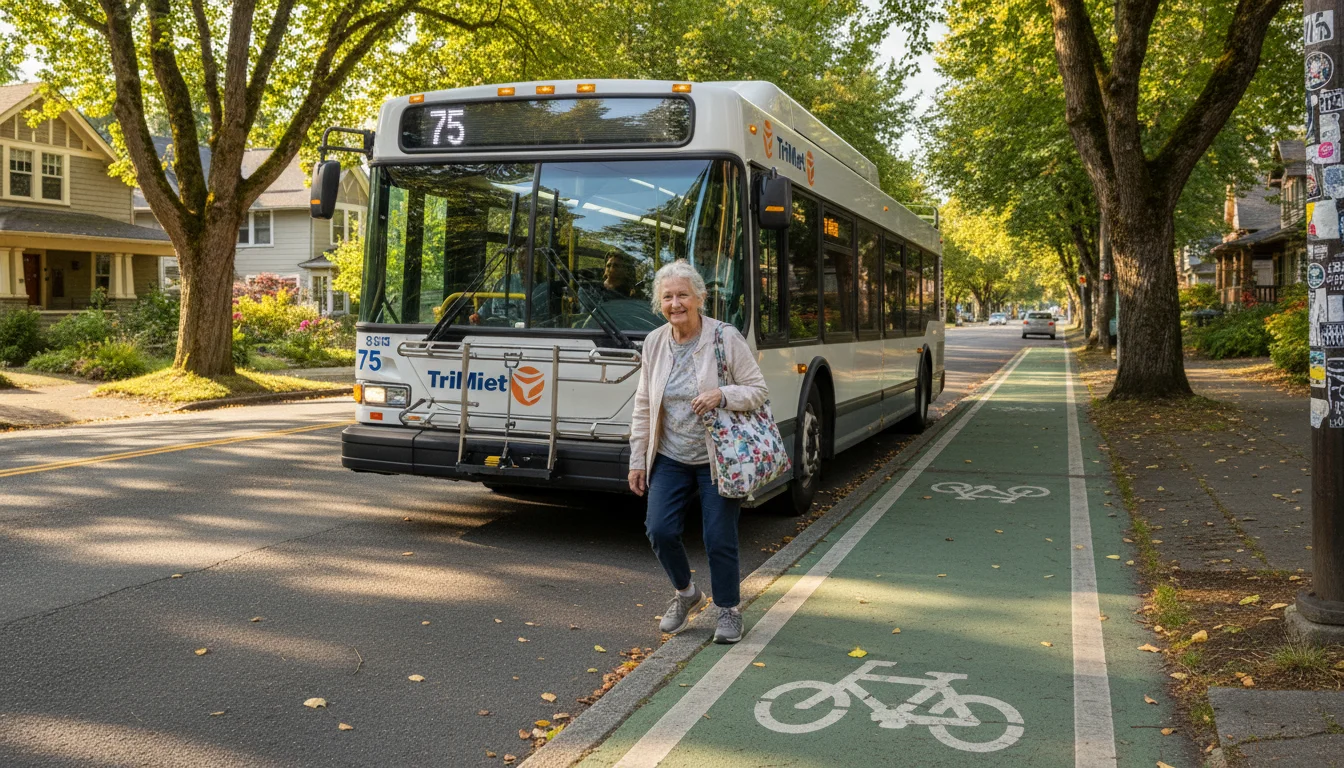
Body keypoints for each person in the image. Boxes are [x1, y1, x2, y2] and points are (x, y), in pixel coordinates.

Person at [628, 259, 769, 644]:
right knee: (658, 529)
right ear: (660, 304)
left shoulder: (724, 337)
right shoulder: (655, 342)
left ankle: (728, 610)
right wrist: (638, 460)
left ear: (700, 298)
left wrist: (722, 394)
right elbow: (644, 404)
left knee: (718, 536)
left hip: (717, 457)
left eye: (683, 295)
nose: (676, 303)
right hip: (671, 456)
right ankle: (687, 594)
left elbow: (758, 389)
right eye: (668, 297)